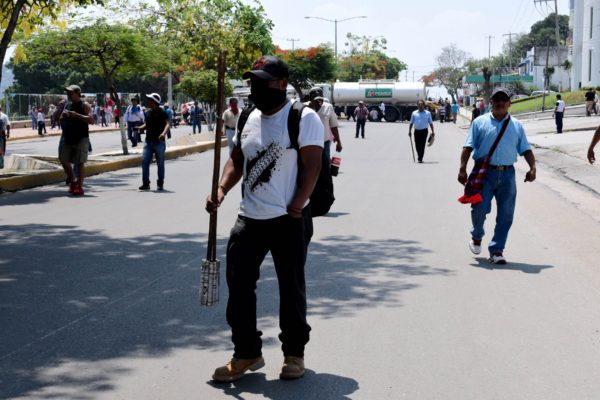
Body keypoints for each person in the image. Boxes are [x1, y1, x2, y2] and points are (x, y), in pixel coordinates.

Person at [205, 55, 323, 383]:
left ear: (281, 84)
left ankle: (294, 354)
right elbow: (236, 160)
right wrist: (221, 188)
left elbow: (312, 165)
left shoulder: (303, 117)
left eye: (262, 81)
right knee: (239, 287)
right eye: (253, 81)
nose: (255, 87)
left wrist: (298, 204)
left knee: (291, 288)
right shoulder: (247, 118)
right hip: (249, 219)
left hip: (289, 218)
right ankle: (246, 352)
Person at [458, 87, 536, 264]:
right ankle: (477, 235)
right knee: (479, 209)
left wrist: (533, 168)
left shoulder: (517, 125)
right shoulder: (479, 122)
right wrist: (462, 168)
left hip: (508, 175)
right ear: (491, 102)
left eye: (504, 99)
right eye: (496, 99)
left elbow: (525, 149)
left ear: (509, 103)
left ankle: (497, 250)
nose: (500, 102)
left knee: (506, 215)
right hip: (485, 174)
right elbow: (468, 147)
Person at [59, 84, 94, 196]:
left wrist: (76, 115)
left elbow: (91, 120)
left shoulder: (85, 105)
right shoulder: (67, 105)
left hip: (81, 137)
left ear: (77, 93)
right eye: (67, 93)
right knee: (63, 159)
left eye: (70, 93)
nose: (68, 95)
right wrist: (62, 117)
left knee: (80, 163)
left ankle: (79, 185)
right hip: (68, 136)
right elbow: (61, 119)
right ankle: (73, 179)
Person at [136, 93, 169, 191]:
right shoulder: (148, 113)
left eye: (149, 100)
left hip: (159, 142)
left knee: (160, 163)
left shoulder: (163, 112)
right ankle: (146, 183)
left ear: (154, 102)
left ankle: (160, 183)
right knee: (145, 162)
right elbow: (147, 124)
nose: (148, 101)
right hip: (148, 142)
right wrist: (140, 128)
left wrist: (163, 134)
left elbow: (167, 124)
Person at [307, 87, 342, 161]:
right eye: (315, 100)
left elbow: (334, 126)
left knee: (325, 168)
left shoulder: (328, 107)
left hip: (324, 143)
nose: (318, 102)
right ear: (310, 98)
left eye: (320, 99)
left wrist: (338, 142)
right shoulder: (304, 107)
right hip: (307, 144)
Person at [0, 105, 11, 169]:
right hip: (2, 134)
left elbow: (8, 125)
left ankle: (1, 164)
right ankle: (1, 164)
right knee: (1, 149)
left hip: (2, 134)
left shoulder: (4, 116)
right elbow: (8, 125)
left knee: (1, 149)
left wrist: (8, 133)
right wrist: (8, 133)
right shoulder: (4, 116)